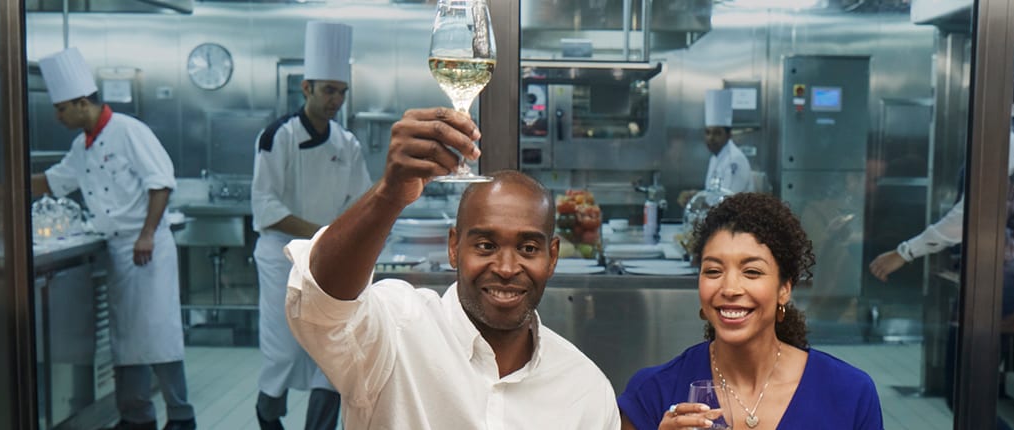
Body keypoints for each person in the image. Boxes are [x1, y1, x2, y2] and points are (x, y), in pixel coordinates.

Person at [281, 107, 620, 429]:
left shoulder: (585, 388)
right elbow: (320, 302)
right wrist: (389, 194)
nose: (505, 267)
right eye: (485, 246)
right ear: (454, 247)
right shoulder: (397, 331)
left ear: (553, 256)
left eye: (528, 248)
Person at [868, 47, 1014, 426]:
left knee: (963, 390)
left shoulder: (1008, 138)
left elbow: (970, 214)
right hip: (1008, 269)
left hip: (1002, 274)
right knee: (969, 393)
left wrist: (906, 251)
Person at [30, 47, 196, 430]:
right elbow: (56, 181)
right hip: (120, 251)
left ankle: (182, 417)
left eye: (61, 109)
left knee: (158, 336)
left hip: (147, 251)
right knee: (127, 342)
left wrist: (147, 235)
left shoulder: (129, 131)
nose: (57, 116)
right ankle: (136, 418)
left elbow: (161, 184)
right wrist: (2, 186)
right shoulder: (83, 145)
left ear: (81, 102)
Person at [618, 193, 882, 430]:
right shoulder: (652, 392)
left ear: (784, 288)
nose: (730, 288)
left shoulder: (849, 393)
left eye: (752, 272)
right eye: (713, 271)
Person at [251, 21, 369, 430]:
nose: (336, 100)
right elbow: (266, 206)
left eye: (342, 91)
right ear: (306, 89)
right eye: (328, 90)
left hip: (329, 260)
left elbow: (360, 202)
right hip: (281, 257)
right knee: (282, 352)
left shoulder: (347, 144)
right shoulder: (276, 137)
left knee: (332, 350)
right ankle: (268, 418)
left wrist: (350, 238)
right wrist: (325, 232)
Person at [679, 89, 754, 207]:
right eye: (707, 133)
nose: (711, 138)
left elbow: (727, 202)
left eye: (717, 133)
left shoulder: (734, 160)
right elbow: (713, 195)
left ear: (729, 135)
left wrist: (698, 199)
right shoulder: (715, 157)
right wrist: (695, 195)